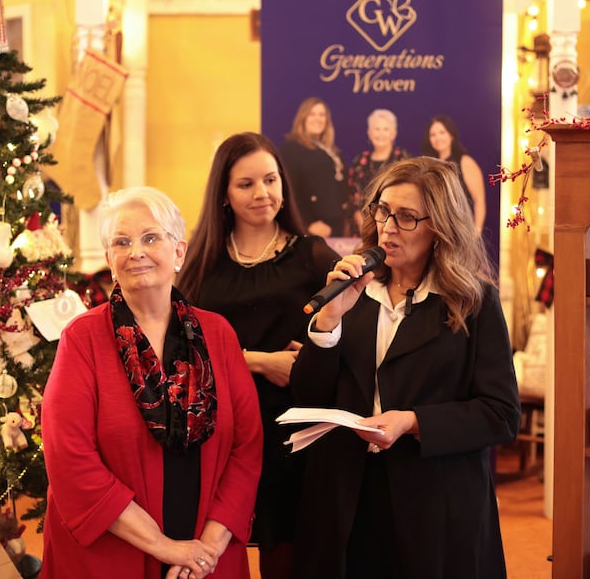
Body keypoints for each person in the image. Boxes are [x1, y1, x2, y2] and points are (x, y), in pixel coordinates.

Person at [289, 156, 520, 579]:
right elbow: (308, 395)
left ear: (440, 227)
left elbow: (501, 415)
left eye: (407, 217)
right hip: (350, 498)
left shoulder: (474, 301)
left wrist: (413, 422)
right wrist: (328, 322)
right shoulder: (351, 289)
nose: (388, 227)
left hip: (435, 502)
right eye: (383, 210)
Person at [41, 186, 263, 579]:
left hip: (209, 554)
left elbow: (246, 448)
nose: (136, 251)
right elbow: (69, 458)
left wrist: (205, 551)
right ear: (110, 259)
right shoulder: (82, 339)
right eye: (121, 242)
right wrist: (166, 548)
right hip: (112, 557)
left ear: (178, 252)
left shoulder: (219, 333)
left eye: (150, 238)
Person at [177, 132, 339, 579]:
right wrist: (258, 360)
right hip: (220, 426)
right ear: (224, 194)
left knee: (286, 551)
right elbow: (178, 345)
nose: (262, 193)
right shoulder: (201, 264)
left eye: (270, 180)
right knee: (214, 546)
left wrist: (315, 351)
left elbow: (345, 337)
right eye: (246, 184)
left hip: (292, 428)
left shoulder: (312, 256)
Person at [279, 97, 346, 238]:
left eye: (322, 115)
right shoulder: (291, 150)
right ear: (303, 117)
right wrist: (308, 222)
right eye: (312, 114)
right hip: (312, 227)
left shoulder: (331, 151)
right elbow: (288, 189)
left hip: (335, 225)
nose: (318, 119)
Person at [345, 109, 410, 236]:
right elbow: (351, 198)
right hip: (361, 231)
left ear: (393, 134)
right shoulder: (359, 161)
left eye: (386, 129)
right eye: (377, 129)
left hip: (395, 227)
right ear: (369, 133)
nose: (381, 134)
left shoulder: (403, 159)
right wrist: (363, 225)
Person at [421, 115, 486, 236]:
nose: (437, 138)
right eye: (433, 135)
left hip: (460, 229)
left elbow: (479, 200)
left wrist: (476, 232)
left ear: (451, 135)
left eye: (442, 132)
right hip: (434, 229)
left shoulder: (465, 162)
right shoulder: (428, 164)